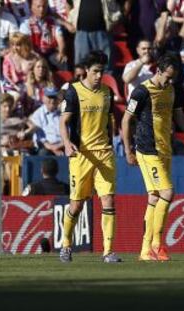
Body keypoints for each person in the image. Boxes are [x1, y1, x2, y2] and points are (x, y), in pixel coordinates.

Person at [121, 54, 184, 261]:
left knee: (155, 197)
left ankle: (144, 250)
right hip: (147, 149)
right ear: (158, 71)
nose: (169, 82)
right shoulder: (141, 92)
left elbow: (179, 116)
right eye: (167, 77)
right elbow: (125, 120)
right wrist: (128, 150)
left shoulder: (171, 90)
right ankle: (158, 245)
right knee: (167, 192)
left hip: (164, 149)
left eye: (172, 79)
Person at [59, 50, 121, 263]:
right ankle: (66, 244)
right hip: (81, 156)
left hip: (104, 154)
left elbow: (110, 120)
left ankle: (108, 251)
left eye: (101, 72)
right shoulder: (73, 91)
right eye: (95, 71)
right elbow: (64, 121)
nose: (98, 76)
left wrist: (111, 143)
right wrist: (67, 144)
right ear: (86, 70)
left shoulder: (107, 92)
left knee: (108, 200)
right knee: (76, 205)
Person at [25, 87, 64, 156]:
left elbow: (68, 133)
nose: (52, 100)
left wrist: (59, 146)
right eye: (49, 97)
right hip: (46, 147)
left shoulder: (62, 113)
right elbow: (40, 138)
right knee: (44, 153)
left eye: (54, 97)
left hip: (62, 145)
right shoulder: (38, 114)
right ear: (43, 99)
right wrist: (53, 148)